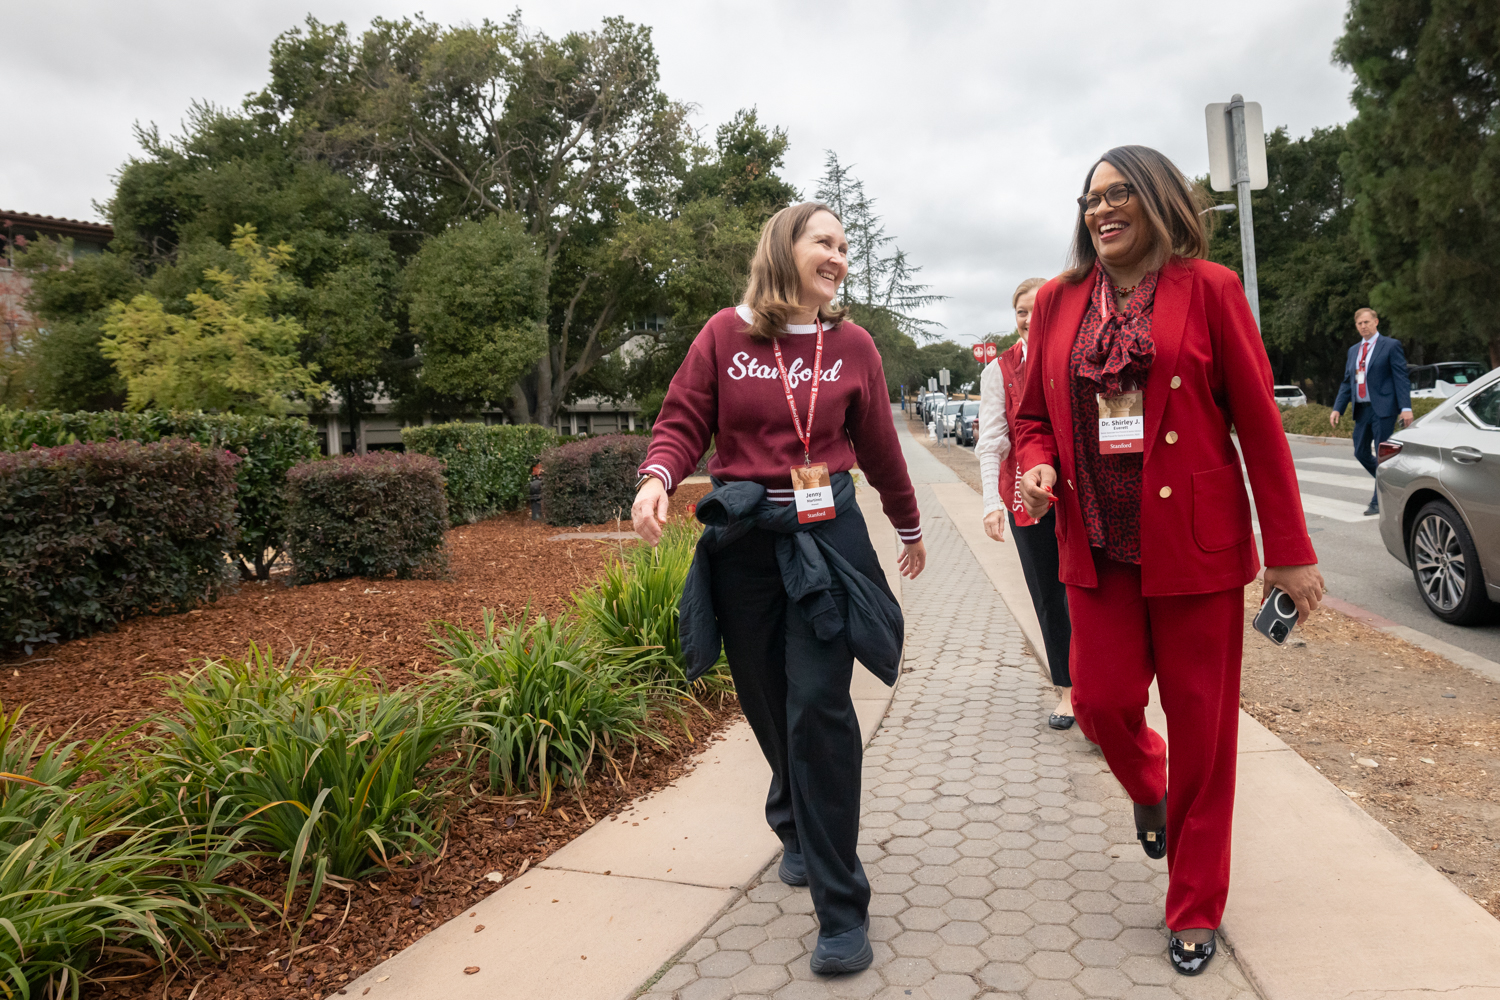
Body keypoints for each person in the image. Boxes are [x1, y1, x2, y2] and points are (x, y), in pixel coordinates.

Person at [1011, 146, 1325, 976]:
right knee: (1103, 706)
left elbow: (1259, 423)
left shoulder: (1211, 289)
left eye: (1118, 195)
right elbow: (1032, 415)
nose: (1100, 211)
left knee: (1205, 738)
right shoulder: (1057, 301)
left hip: (1198, 551)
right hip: (1098, 546)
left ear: (1157, 199)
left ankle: (1193, 904)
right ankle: (1146, 786)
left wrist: (1289, 553)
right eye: (1089, 200)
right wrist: (1035, 466)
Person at [631, 201, 926, 976]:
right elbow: (683, 417)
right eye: (824, 242)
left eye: (844, 247)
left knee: (819, 708)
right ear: (783, 248)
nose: (839, 256)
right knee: (765, 700)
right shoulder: (726, 334)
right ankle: (792, 815)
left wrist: (909, 527)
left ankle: (840, 908)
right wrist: (658, 477)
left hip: (827, 539)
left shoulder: (853, 344)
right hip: (746, 540)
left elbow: (882, 447)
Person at [976, 277, 1074, 729]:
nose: (1030, 318)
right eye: (1021, 311)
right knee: (1050, 594)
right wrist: (991, 503)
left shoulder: (1077, 351)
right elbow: (991, 442)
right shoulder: (1000, 369)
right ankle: (1069, 690)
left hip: (1081, 493)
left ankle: (1105, 687)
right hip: (1025, 495)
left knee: (1093, 593)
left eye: (1038, 308)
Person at [1330, 307, 1413, 515]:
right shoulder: (1353, 351)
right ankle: (1389, 483)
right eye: (1359, 323)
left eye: (1367, 322)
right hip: (1362, 408)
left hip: (1384, 408)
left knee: (1383, 454)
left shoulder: (1390, 346)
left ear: (1376, 322)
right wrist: (1337, 408)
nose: (1363, 326)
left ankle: (1377, 502)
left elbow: (1400, 377)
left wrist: (1406, 408)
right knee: (1360, 451)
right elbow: (1348, 382)